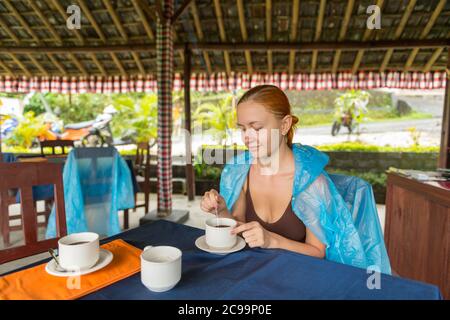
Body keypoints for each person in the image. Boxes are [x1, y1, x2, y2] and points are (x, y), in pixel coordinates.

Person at [200, 84, 391, 274]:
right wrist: (222, 209)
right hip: (255, 272)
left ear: (284, 125)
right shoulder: (240, 173)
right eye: (243, 129)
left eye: (257, 128)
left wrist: (271, 240)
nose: (247, 137)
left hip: (300, 277)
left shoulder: (311, 183)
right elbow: (239, 230)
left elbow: (318, 252)